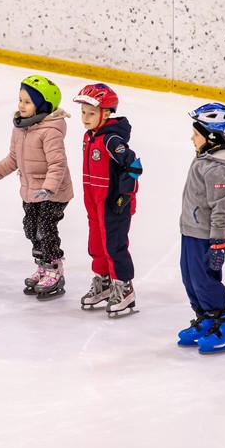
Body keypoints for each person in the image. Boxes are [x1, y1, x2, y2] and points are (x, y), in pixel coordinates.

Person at [0, 75, 73, 300]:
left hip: (53, 193)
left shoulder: (50, 131)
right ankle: (42, 267)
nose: (21, 105)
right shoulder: (20, 127)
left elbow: (58, 165)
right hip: (30, 191)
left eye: (28, 101)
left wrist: (48, 189)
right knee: (30, 228)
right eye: (20, 99)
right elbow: (13, 157)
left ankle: (54, 270)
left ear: (43, 105)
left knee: (45, 230)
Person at [176, 103, 225, 352]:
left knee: (204, 281)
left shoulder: (217, 169)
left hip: (205, 235)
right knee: (189, 278)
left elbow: (220, 209)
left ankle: (224, 326)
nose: (191, 138)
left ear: (212, 137)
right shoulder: (205, 159)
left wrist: (218, 242)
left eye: (196, 133)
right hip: (191, 230)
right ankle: (206, 319)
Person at [73, 83, 142, 316]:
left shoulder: (111, 140)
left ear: (106, 113)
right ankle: (103, 282)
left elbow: (133, 166)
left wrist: (124, 195)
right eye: (83, 113)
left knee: (114, 244)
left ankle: (124, 286)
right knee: (96, 243)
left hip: (113, 203)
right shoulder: (89, 137)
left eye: (91, 113)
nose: (85, 118)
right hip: (93, 199)